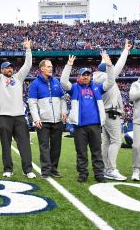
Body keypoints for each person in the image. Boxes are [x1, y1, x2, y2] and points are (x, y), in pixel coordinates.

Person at [60, 52, 115, 183]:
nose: (86, 77)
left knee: (97, 152)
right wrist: (69, 65)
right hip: (79, 126)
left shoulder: (97, 88)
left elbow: (111, 81)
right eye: (83, 75)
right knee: (81, 152)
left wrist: (109, 65)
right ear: (78, 77)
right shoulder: (74, 88)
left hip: (95, 125)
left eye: (88, 75)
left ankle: (99, 174)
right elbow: (63, 82)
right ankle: (83, 174)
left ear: (91, 77)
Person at [0, 37, 36, 179]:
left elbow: (27, 65)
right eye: (7, 67)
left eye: (11, 67)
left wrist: (28, 49)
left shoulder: (18, 77)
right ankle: (7, 169)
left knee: (24, 144)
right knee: (5, 145)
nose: (10, 69)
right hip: (3, 116)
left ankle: (27, 169)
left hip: (19, 117)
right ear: (2, 69)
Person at [92, 39, 132, 181]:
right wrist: (125, 51)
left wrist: (104, 58)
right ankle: (111, 169)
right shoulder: (108, 78)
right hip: (111, 114)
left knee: (107, 142)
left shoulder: (96, 79)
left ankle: (104, 167)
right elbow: (119, 65)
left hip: (104, 114)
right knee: (115, 141)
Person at [28, 59, 67, 179]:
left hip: (57, 121)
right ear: (42, 69)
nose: (51, 68)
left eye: (51, 66)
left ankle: (53, 168)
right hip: (43, 121)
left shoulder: (56, 81)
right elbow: (32, 103)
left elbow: (62, 98)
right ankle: (45, 170)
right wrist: (36, 118)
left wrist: (64, 112)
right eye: (48, 66)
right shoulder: (34, 84)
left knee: (56, 146)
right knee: (44, 146)